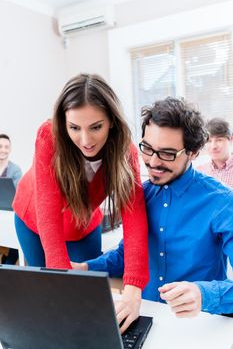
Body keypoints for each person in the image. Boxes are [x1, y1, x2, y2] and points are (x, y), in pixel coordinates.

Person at [13, 73, 149, 332]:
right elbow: (48, 213)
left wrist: (133, 288)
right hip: (33, 220)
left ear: (111, 122)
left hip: (81, 225)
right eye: (74, 128)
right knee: (51, 294)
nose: (86, 141)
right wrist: (62, 285)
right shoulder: (48, 136)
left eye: (96, 127)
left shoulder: (126, 151)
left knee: (87, 294)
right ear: (63, 123)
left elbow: (135, 218)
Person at [75, 97, 233, 318]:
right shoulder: (141, 194)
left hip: (198, 323)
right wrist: (85, 269)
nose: (153, 162)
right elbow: (127, 255)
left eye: (167, 154)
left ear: (193, 153)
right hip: (145, 317)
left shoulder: (221, 202)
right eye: (147, 148)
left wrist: (204, 294)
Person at [0, 134, 22, 264]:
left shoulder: (16, 170)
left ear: (10, 149)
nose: (3, 149)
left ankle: (7, 265)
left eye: (6, 147)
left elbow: (18, 197)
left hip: (10, 215)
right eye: (1, 146)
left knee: (14, 237)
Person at [198, 118, 233, 187]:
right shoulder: (200, 172)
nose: (213, 146)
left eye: (219, 140)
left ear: (231, 139)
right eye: (209, 141)